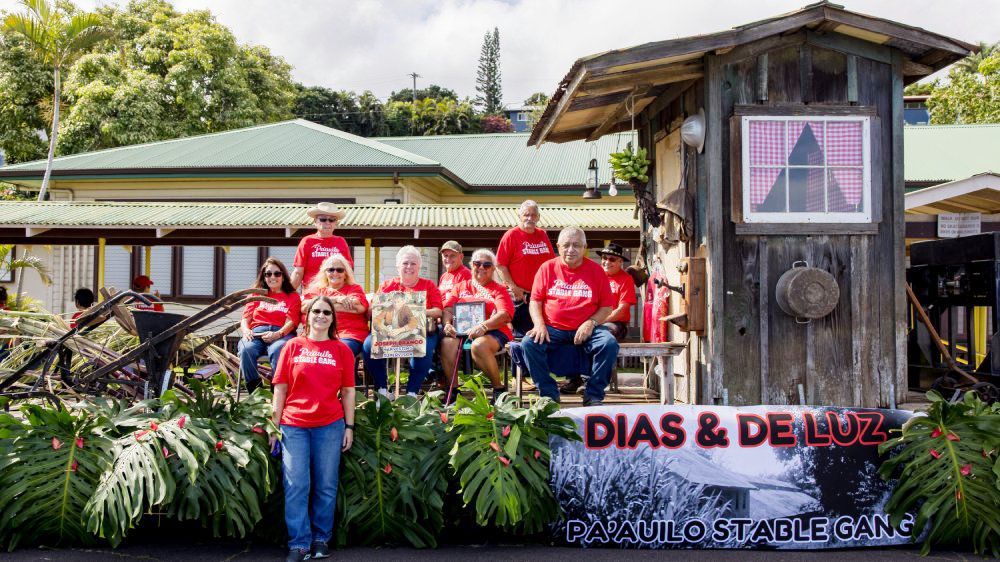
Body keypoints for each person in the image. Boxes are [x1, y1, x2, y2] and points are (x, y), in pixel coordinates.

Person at [269, 295, 355, 562]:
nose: (321, 316)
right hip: (293, 425)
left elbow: (348, 392)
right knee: (296, 484)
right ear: (307, 316)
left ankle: (320, 539)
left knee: (326, 485)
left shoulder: (342, 350)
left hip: (330, 425)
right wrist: (273, 425)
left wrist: (349, 426)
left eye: (326, 312)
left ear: (333, 318)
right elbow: (280, 389)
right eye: (316, 311)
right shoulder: (292, 346)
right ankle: (299, 543)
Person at [521, 227, 619, 407]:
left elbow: (607, 307)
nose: (571, 250)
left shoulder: (596, 271)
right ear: (558, 246)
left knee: (609, 343)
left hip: (588, 327)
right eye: (566, 245)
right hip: (552, 328)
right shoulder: (547, 268)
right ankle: (549, 394)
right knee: (528, 343)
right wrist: (539, 324)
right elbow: (535, 301)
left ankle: (593, 394)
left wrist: (591, 322)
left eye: (576, 245)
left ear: (584, 248)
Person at [363, 246, 443, 398]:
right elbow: (372, 310)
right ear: (398, 266)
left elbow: (438, 311)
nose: (409, 267)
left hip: (421, 329)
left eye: (413, 263)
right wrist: (385, 306)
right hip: (389, 330)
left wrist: (415, 310)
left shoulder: (428, 285)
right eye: (405, 263)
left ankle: (412, 392)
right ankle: (382, 390)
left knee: (424, 348)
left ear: (419, 266)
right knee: (368, 345)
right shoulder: (387, 285)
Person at [560, 243, 637, 394]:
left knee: (597, 336)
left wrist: (596, 322)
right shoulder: (594, 275)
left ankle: (591, 380)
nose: (607, 262)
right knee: (570, 334)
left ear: (620, 262)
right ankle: (574, 378)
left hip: (615, 323)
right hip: (590, 321)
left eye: (612, 259)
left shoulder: (625, 279)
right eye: (604, 258)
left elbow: (622, 310)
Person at [441, 249, 514, 404]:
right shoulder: (460, 287)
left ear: (493, 268)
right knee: (446, 343)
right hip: (462, 331)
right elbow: (447, 309)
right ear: (471, 265)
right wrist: (447, 324)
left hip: (493, 331)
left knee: (479, 345)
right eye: (477, 263)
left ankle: (498, 389)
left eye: (486, 265)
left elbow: (505, 314)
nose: (481, 267)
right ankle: (453, 391)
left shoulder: (498, 289)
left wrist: (484, 326)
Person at [238, 258, 302, 394]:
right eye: (268, 274)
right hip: (256, 333)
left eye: (277, 274)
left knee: (278, 349)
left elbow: (291, 322)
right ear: (264, 277)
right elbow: (245, 319)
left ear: (283, 276)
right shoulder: (256, 294)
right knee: (246, 349)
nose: (273, 277)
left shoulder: (293, 296)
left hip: (282, 334)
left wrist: (277, 334)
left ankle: (277, 391)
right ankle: (256, 392)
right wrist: (246, 331)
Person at [497, 200, 554, 337]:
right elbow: (500, 265)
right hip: (521, 297)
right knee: (523, 337)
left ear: (538, 217)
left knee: (543, 334)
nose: (530, 218)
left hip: (541, 296)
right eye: (526, 215)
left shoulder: (542, 234)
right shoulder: (511, 235)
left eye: (533, 215)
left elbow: (552, 263)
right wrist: (513, 287)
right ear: (519, 216)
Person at [305, 254, 369, 357]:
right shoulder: (317, 289)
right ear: (325, 273)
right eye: (331, 270)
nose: (335, 273)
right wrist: (337, 299)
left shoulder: (354, 288)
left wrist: (319, 306)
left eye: (339, 270)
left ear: (346, 273)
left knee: (337, 351)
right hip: (318, 334)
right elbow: (304, 307)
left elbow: (358, 307)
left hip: (348, 334)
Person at [291, 202, 353, 290]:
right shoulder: (307, 241)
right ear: (315, 222)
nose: (327, 222)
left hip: (336, 293)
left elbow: (348, 272)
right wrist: (287, 294)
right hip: (312, 293)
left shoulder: (341, 242)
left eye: (332, 220)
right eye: (323, 219)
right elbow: (298, 273)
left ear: (336, 223)